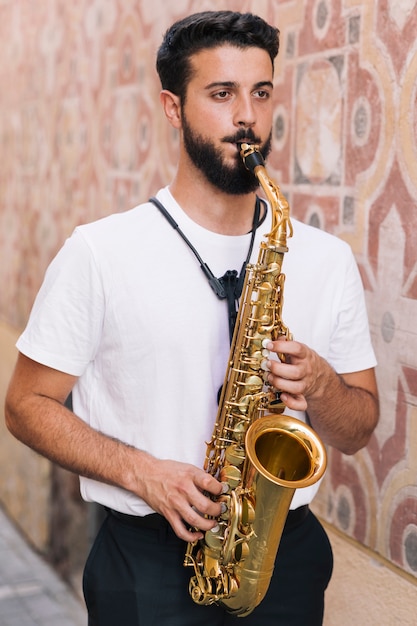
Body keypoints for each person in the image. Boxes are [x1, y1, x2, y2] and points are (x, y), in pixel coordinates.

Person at [5, 10, 379, 626]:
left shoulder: (326, 259)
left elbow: (359, 426)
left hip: (284, 560)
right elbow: (25, 405)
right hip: (146, 565)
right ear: (173, 107)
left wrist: (320, 386)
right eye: (221, 93)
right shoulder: (101, 252)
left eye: (260, 93)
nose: (246, 117)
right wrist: (141, 472)